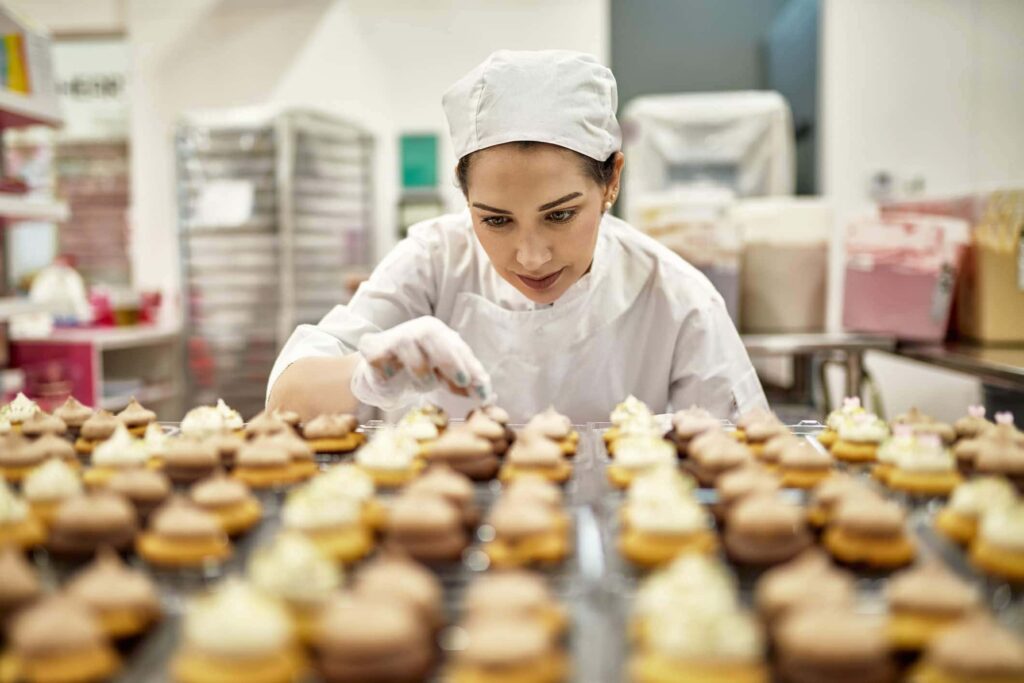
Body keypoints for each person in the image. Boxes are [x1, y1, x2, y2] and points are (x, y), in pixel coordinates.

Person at [267, 49, 767, 424]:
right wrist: (363, 374)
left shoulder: (680, 302)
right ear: (465, 198)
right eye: (496, 220)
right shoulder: (435, 262)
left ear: (612, 179)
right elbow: (286, 400)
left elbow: (742, 452)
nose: (530, 257)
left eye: (560, 215)